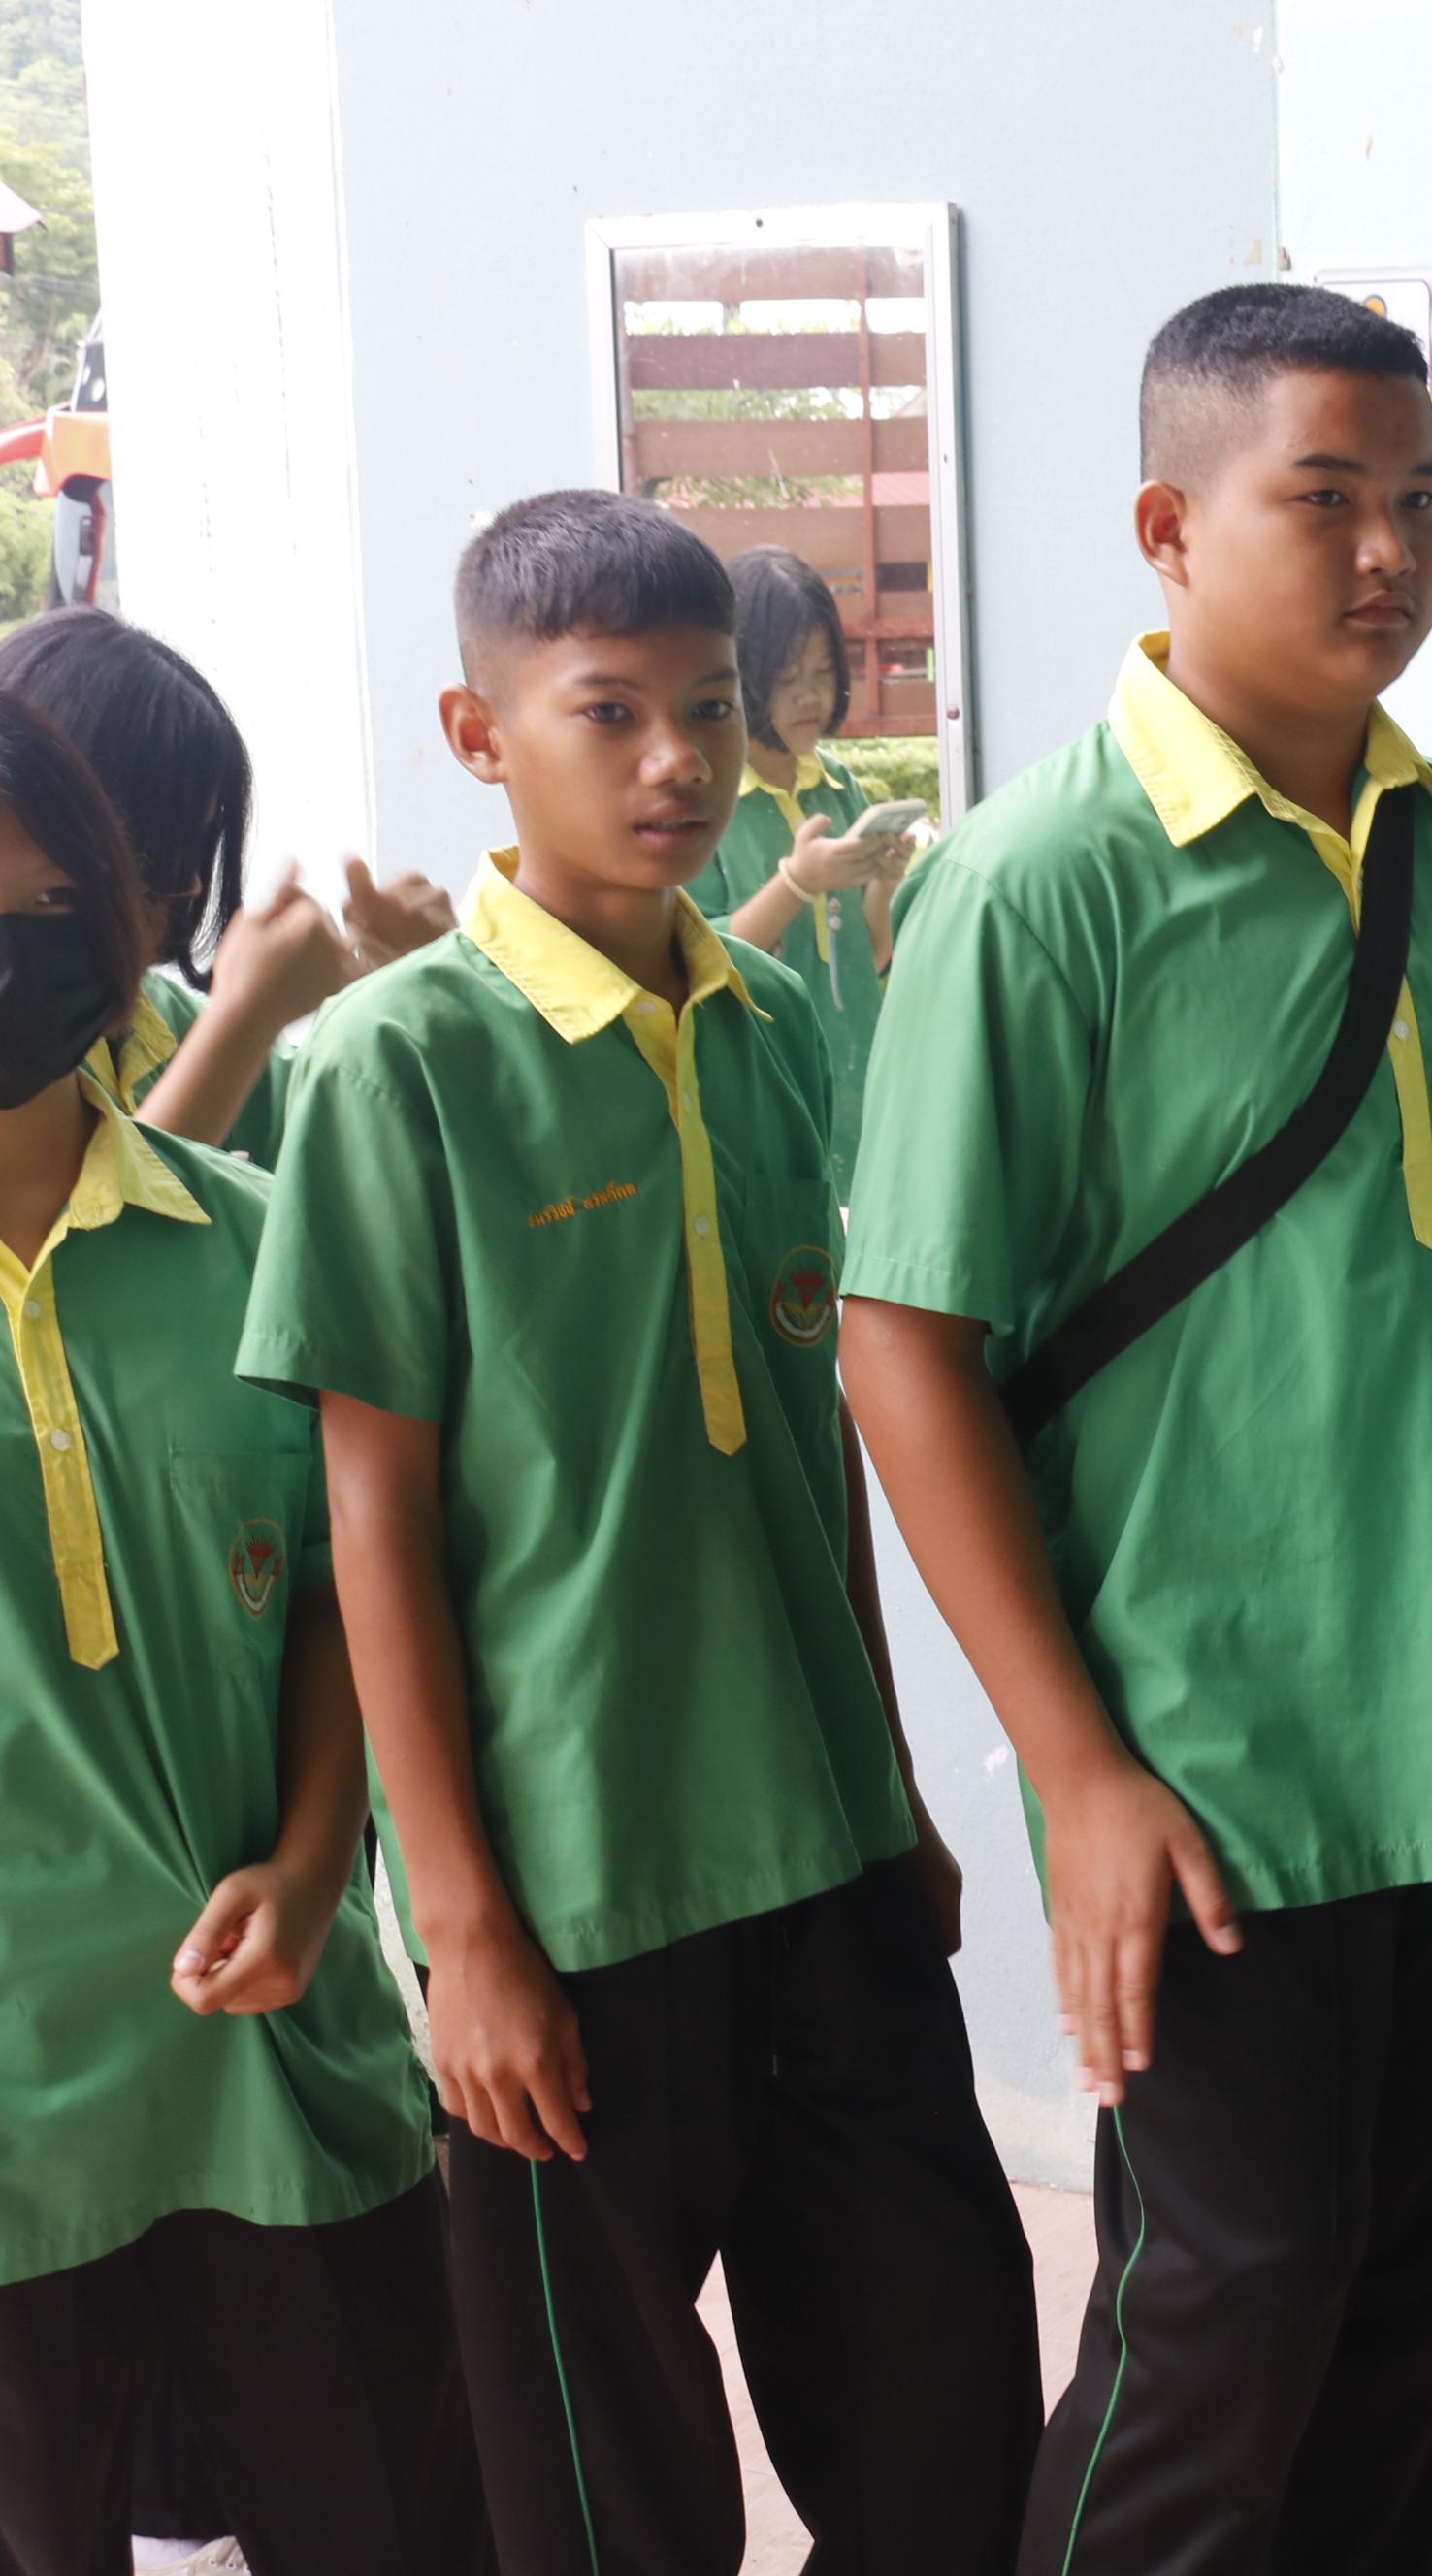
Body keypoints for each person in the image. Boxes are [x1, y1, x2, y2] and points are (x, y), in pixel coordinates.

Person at [841, 283, 1432, 2574]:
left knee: (1397, 2299)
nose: (1388, 545)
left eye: (1419, 499)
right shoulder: (1041, 884)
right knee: (1234, 2301)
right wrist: (1075, 1768)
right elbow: (906, 1342)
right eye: (1325, 496)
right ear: (1167, 528)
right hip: (1202, 1760)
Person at [235, 490, 1039, 2574]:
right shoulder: (392, 1067)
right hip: (572, 1897)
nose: (677, 760)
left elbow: (816, 1438)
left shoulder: (776, 1034)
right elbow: (371, 1517)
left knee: (947, 2415)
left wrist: (890, 1778)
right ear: (481, 730)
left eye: (706, 711)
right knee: (609, 2493)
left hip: (832, 1858)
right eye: (612, 713)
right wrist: (464, 1930)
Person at [0, 691, 488, 2575]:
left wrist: (307, 1859)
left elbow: (341, 1603)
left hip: (269, 2068)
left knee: (394, 2516)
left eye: (52, 911)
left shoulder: (256, 1242)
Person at [0, 606, 455, 1162]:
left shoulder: (162, 1022)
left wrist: (409, 1000)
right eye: (156, 845)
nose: (191, 885)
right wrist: (244, 1020)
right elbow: (87, 1232)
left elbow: (345, 1159)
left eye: (196, 846)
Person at [682, 545, 907, 1201]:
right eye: (786, 677)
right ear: (740, 674)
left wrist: (884, 882)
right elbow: (694, 965)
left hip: (857, 1100)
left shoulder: (840, 790)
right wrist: (797, 885)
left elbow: (867, 958)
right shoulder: (704, 801)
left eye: (823, 670)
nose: (811, 695)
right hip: (756, 1105)